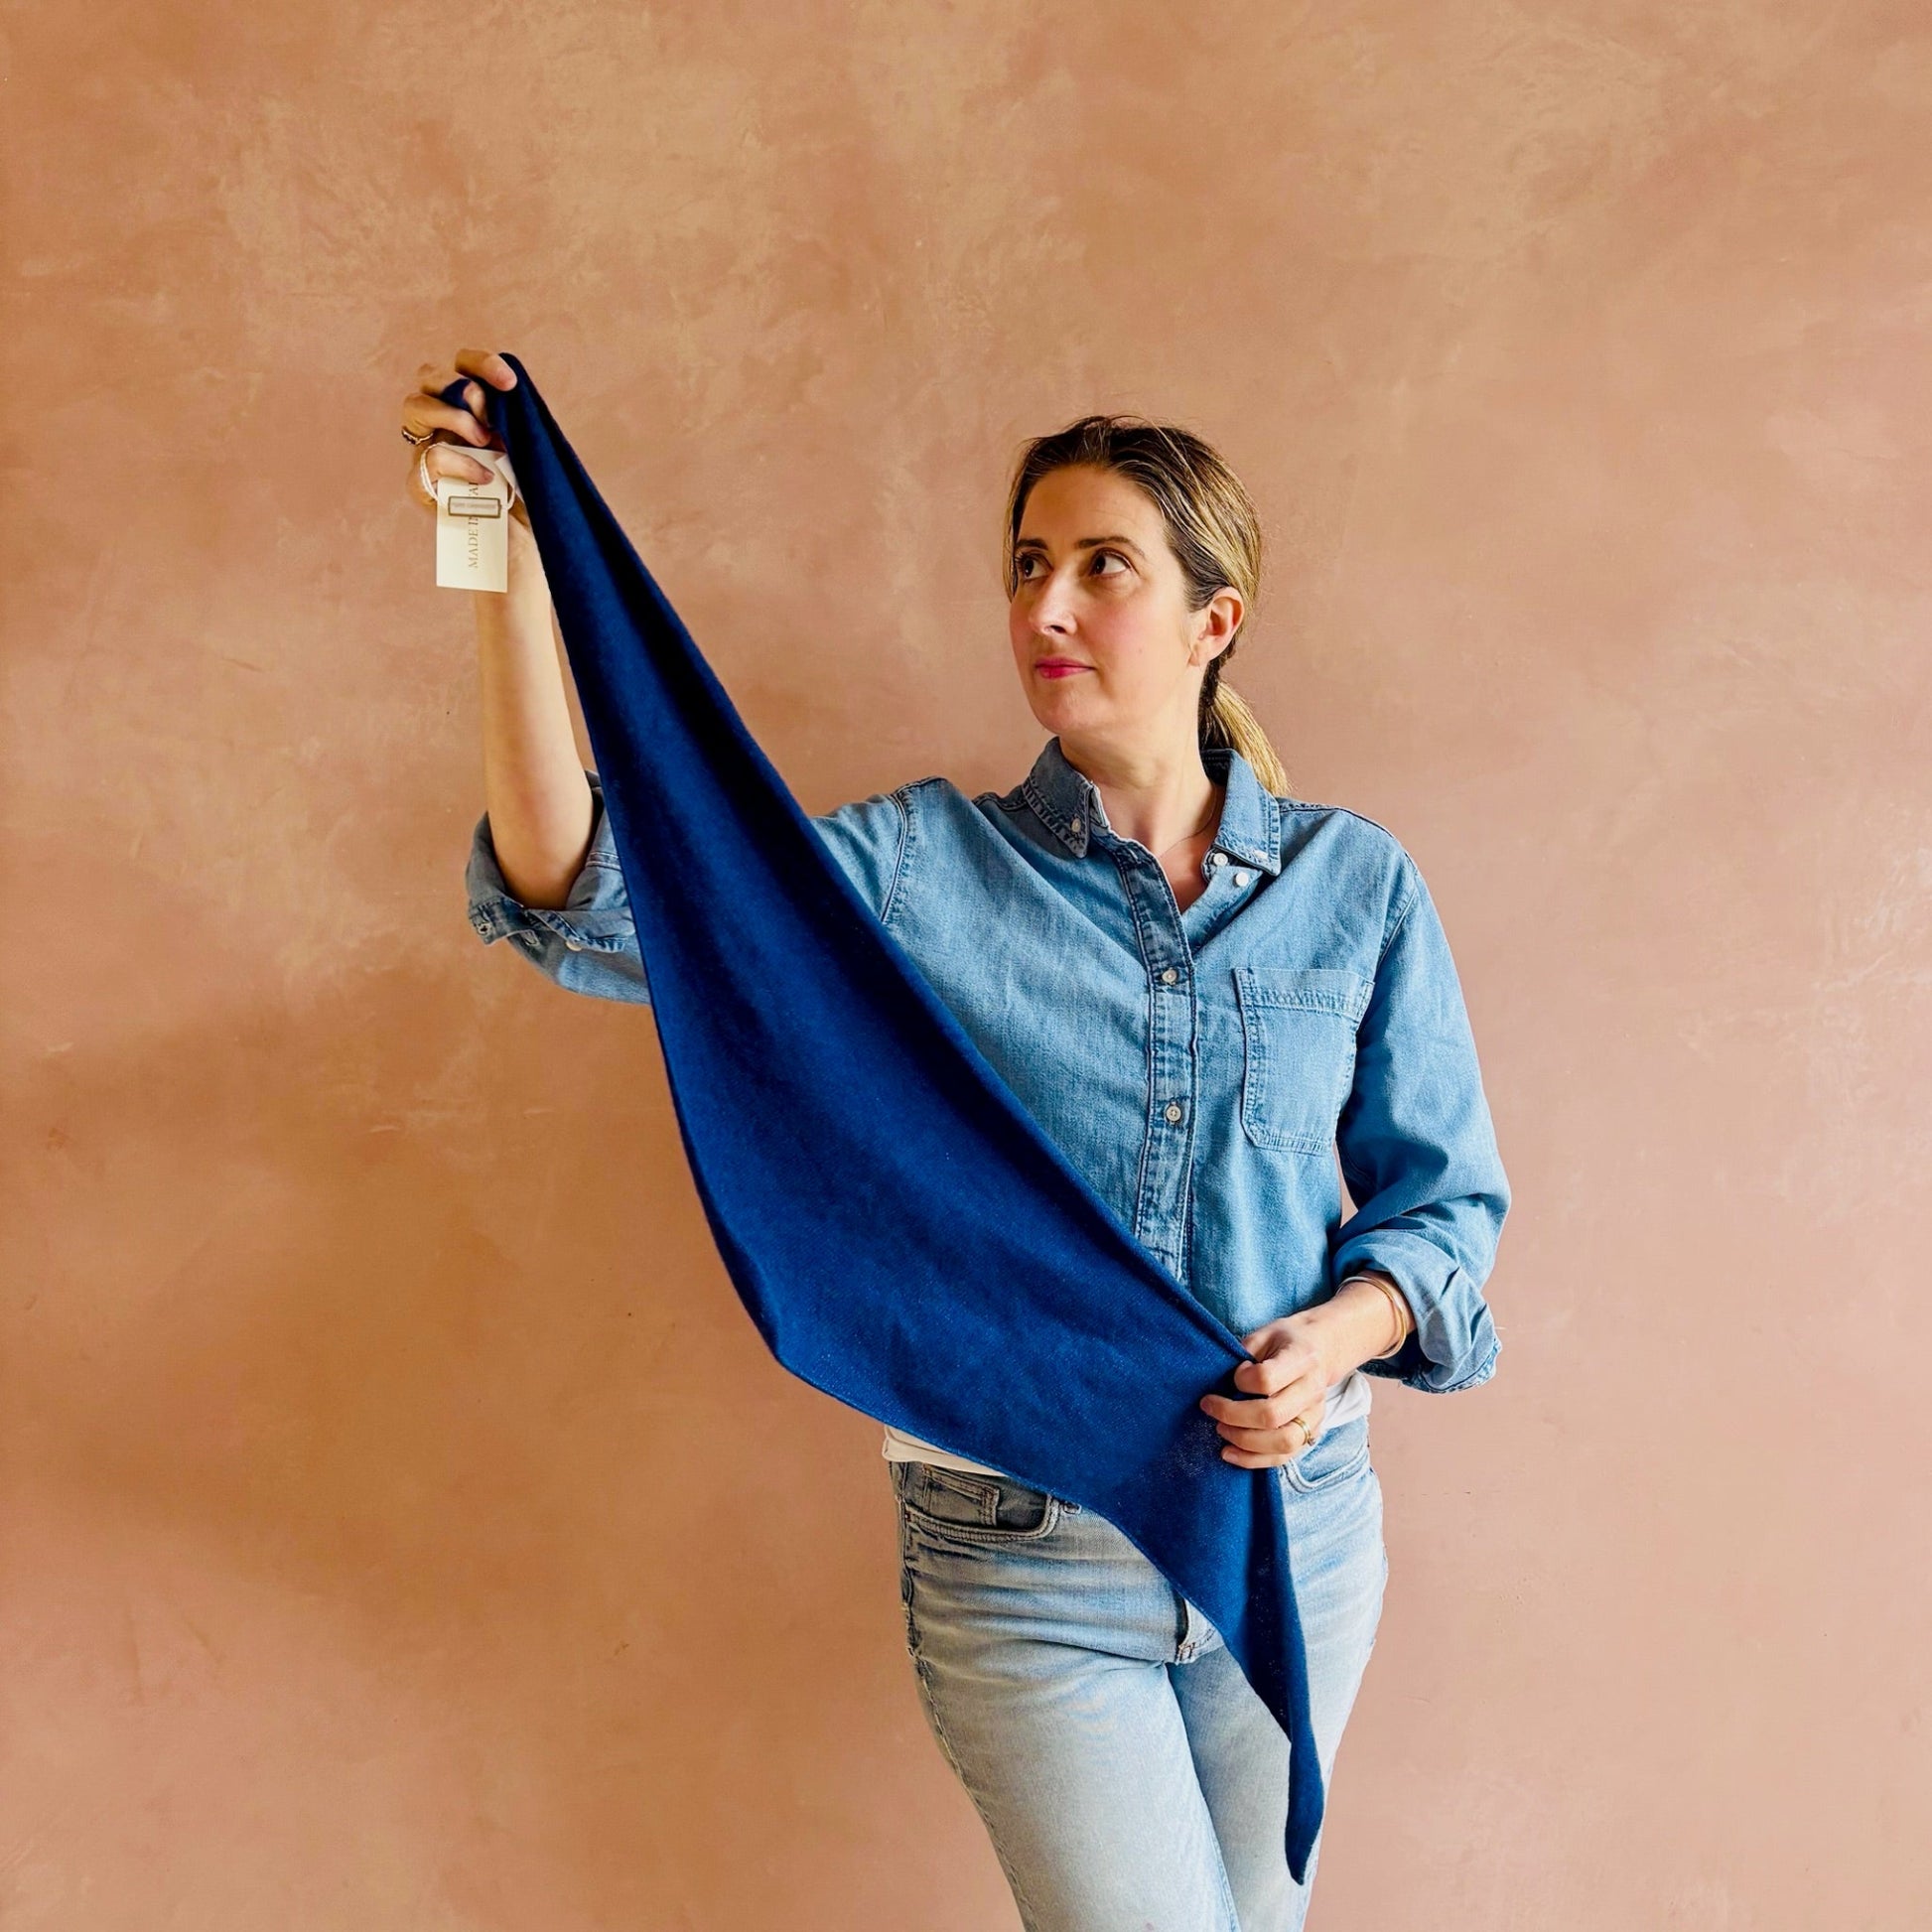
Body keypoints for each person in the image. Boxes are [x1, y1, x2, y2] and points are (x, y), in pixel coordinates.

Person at [402, 348, 1510, 1932]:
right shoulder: (921, 868)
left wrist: (1339, 1337)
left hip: (1295, 1537)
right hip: (1025, 1556)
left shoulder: (1356, 885)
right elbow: (582, 896)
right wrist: (509, 569)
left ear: (1215, 621)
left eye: (1100, 567)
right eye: (1025, 568)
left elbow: (1443, 1207)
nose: (1045, 608)